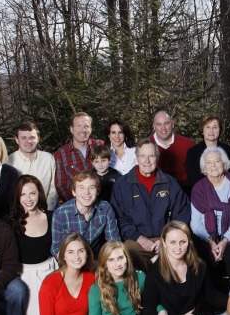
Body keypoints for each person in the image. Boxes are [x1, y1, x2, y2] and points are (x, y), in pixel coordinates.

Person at [111, 139, 191, 270]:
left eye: (151, 156)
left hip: (166, 238)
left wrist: (167, 238)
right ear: (136, 158)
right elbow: (118, 219)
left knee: (184, 256)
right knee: (129, 255)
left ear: (157, 158)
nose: (147, 161)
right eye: (143, 156)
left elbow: (182, 214)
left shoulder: (170, 183)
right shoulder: (122, 185)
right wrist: (139, 238)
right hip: (136, 241)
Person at [8, 175, 57, 315]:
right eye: (23, 194)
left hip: (47, 269)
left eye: (32, 193)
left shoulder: (52, 217)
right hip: (23, 273)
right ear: (17, 197)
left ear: (40, 194)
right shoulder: (10, 222)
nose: (28, 199)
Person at [190, 146, 230, 283]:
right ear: (204, 167)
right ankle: (211, 299)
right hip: (205, 237)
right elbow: (195, 223)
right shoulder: (198, 189)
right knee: (200, 257)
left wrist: (224, 241)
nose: (213, 165)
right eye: (209, 162)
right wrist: (211, 242)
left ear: (224, 164)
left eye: (217, 161)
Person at [51, 170, 120, 257]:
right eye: (81, 187)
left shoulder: (105, 208)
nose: (86, 192)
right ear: (74, 192)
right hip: (72, 260)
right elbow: (56, 248)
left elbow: (113, 241)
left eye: (91, 187)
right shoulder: (60, 214)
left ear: (97, 191)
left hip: (95, 259)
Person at [54, 112, 105, 203]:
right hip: (75, 206)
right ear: (71, 129)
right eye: (79, 126)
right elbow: (61, 186)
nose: (83, 130)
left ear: (91, 129)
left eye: (86, 126)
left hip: (102, 204)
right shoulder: (61, 154)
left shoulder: (100, 145)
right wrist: (78, 205)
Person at [7, 121, 59, 211]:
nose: (28, 141)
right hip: (18, 215)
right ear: (16, 139)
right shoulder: (9, 162)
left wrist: (47, 211)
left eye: (32, 137)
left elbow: (54, 189)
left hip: (45, 212)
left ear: (38, 138)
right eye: (23, 138)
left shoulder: (48, 159)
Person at [186, 114, 230, 186]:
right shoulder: (192, 152)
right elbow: (193, 179)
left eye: (215, 127)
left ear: (220, 130)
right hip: (202, 192)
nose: (211, 130)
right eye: (208, 127)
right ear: (202, 130)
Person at [150, 110, 194, 189]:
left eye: (166, 123)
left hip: (183, 190)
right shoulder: (146, 146)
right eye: (159, 124)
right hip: (154, 190)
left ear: (172, 124)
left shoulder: (187, 144)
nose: (163, 128)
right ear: (154, 126)